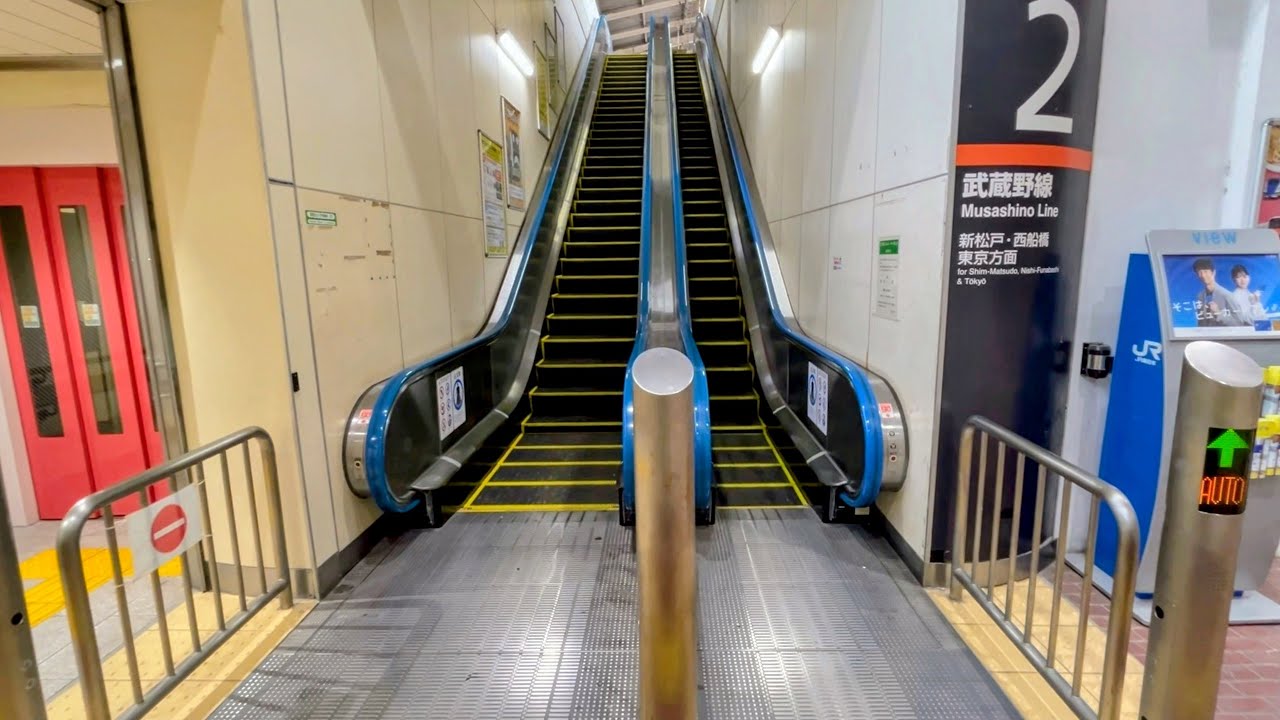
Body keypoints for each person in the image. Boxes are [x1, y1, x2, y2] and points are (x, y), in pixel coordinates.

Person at [1193, 257, 1250, 326]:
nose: (1203, 275)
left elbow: (1239, 323)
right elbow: (1200, 323)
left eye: (1205, 271)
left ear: (1213, 272)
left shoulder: (1227, 295)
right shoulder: (1200, 296)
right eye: (1199, 272)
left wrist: (1219, 313)